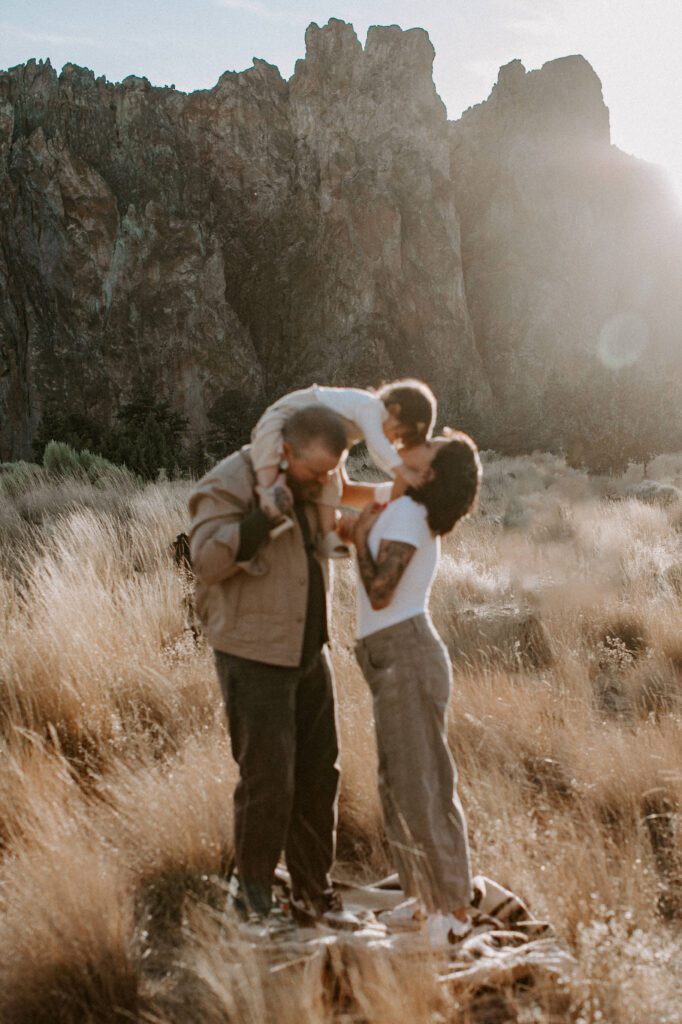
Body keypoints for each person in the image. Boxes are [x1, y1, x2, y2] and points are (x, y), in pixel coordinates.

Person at [188, 405, 350, 932]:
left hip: (309, 651)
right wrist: (261, 520)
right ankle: (251, 899)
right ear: (284, 452)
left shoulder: (314, 482)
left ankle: (312, 892)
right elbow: (205, 561)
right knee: (268, 782)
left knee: (319, 776)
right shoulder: (230, 480)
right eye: (317, 472)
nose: (326, 482)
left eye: (333, 472)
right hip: (254, 654)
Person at [344, 430, 482, 945]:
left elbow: (380, 592)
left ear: (432, 471)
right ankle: (424, 900)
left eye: (431, 444)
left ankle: (450, 913)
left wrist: (358, 539)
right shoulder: (399, 503)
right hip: (393, 656)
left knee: (420, 786)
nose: (419, 440)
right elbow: (343, 491)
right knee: (400, 783)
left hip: (406, 653)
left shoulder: (407, 514)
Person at [250, 380, 436, 556]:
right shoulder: (371, 407)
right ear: (394, 410)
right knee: (267, 456)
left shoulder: (359, 427)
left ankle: (327, 533)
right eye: (397, 434)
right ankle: (270, 502)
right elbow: (378, 447)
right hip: (287, 413)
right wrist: (403, 472)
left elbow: (379, 457)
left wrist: (400, 479)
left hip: (325, 433)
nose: (393, 441)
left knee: (331, 481)